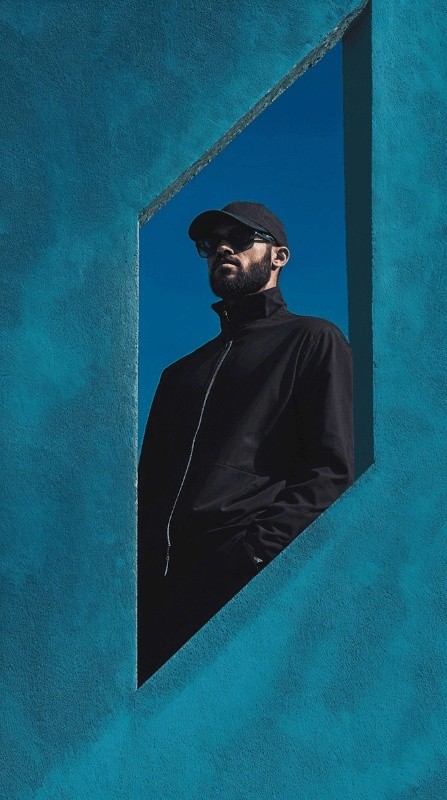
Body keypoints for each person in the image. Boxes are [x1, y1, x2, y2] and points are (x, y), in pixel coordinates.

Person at [137, 201, 354, 682]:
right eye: (211, 243)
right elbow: (146, 487)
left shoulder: (312, 340)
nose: (222, 248)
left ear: (279, 257)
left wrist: (254, 555)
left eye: (238, 238)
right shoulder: (179, 376)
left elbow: (333, 468)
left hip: (243, 577)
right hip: (160, 598)